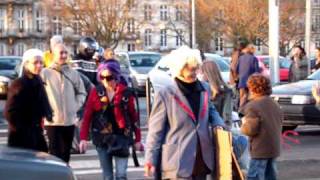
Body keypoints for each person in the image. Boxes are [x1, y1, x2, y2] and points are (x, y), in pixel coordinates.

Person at [144, 46, 225, 180]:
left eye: (196, 68)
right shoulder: (166, 94)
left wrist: (218, 123)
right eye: (190, 68)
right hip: (177, 160)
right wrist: (150, 159)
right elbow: (155, 132)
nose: (194, 72)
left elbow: (211, 110)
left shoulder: (204, 88)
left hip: (202, 158)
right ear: (179, 68)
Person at [79, 62, 143, 180]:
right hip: (102, 138)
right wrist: (83, 138)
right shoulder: (96, 92)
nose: (105, 81)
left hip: (122, 137)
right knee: (107, 176)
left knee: (121, 175)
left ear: (116, 76)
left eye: (109, 78)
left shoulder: (126, 93)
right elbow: (87, 116)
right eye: (102, 77)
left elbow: (134, 118)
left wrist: (138, 139)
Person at [41, 43, 87, 163]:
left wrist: (75, 106)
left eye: (66, 52)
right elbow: (38, 94)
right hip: (53, 122)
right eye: (61, 53)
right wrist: (45, 110)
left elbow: (82, 92)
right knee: (54, 155)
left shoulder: (73, 73)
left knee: (66, 155)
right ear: (54, 55)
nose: (64, 55)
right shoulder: (45, 73)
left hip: (69, 122)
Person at [4, 49, 52, 152]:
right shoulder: (19, 84)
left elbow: (44, 104)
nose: (39, 65)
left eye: (41, 63)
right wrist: (23, 130)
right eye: (35, 63)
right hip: (21, 137)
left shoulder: (38, 80)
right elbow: (9, 112)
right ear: (26, 64)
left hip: (36, 134)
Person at [240, 74, 283, 180]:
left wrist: (244, 123)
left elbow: (250, 130)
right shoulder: (274, 103)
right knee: (270, 174)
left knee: (254, 175)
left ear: (252, 89)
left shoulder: (253, 106)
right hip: (274, 147)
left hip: (259, 148)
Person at [201, 60, 233, 128]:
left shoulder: (202, 90)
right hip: (219, 130)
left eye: (201, 72)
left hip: (205, 131)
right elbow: (227, 116)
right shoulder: (226, 91)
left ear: (206, 73)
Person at [236, 42, 260, 109]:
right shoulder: (254, 59)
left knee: (242, 98)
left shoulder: (241, 58)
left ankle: (240, 112)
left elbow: (237, 69)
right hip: (251, 82)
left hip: (242, 81)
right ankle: (249, 111)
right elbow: (257, 72)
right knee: (251, 98)